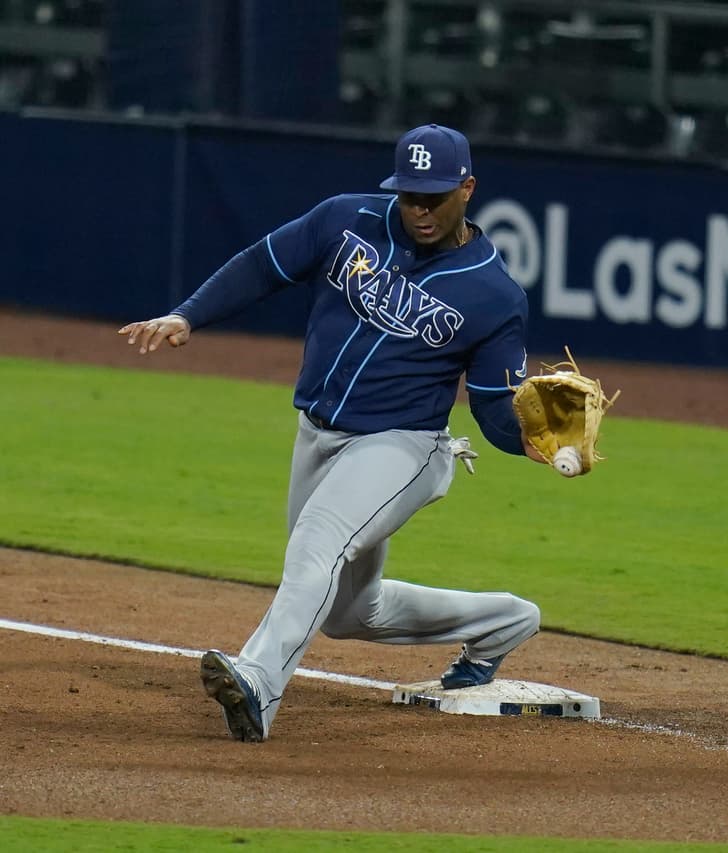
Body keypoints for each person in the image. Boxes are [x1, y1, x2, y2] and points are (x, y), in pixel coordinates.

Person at [118, 124, 552, 743]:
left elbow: (490, 403)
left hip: (401, 447)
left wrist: (525, 440)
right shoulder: (345, 220)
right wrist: (188, 314)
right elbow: (262, 264)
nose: (419, 209)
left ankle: (259, 683)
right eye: (409, 195)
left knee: (315, 547)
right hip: (317, 434)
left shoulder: (492, 292)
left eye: (434, 196)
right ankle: (505, 621)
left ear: (468, 189)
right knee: (352, 614)